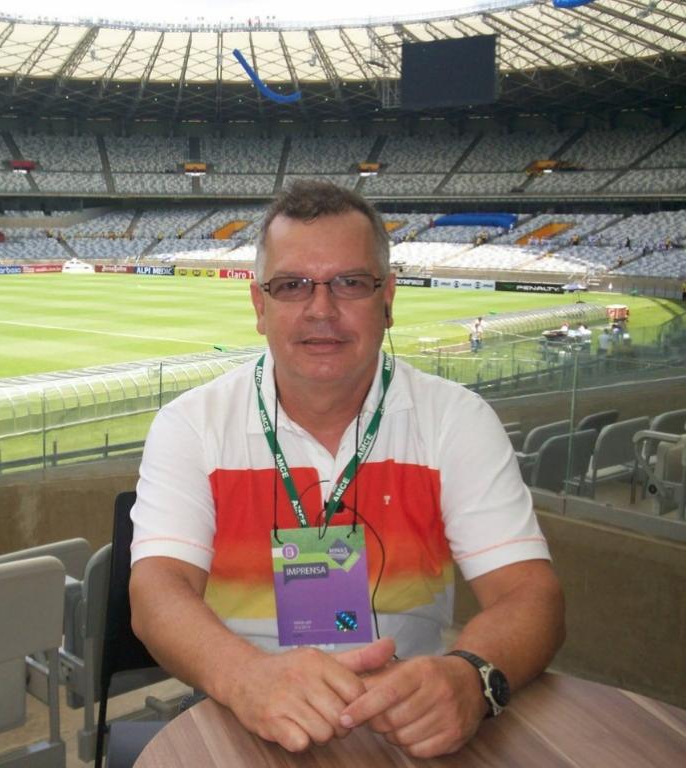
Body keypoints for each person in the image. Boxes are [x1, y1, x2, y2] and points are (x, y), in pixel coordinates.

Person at [129, 180, 564, 760]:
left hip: (407, 721)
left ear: (387, 299)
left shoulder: (455, 420)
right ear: (259, 306)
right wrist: (246, 677)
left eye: (350, 283)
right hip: (238, 713)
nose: (321, 310)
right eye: (292, 286)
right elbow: (156, 591)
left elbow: (531, 595)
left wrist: (470, 675)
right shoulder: (192, 425)